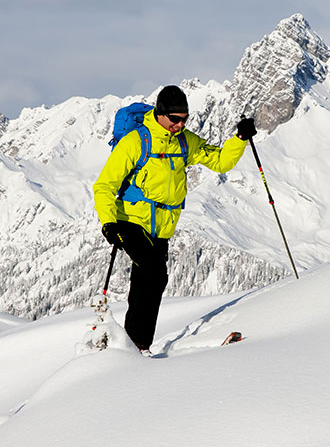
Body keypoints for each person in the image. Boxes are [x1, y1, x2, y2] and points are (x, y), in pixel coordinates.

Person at [93, 85, 257, 353]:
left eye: (184, 119)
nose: (179, 125)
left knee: (153, 280)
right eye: (174, 119)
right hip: (130, 219)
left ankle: (131, 346)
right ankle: (137, 345)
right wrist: (108, 223)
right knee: (151, 272)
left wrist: (239, 138)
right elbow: (104, 185)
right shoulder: (136, 141)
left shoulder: (184, 141)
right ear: (160, 114)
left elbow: (219, 162)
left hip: (162, 227)